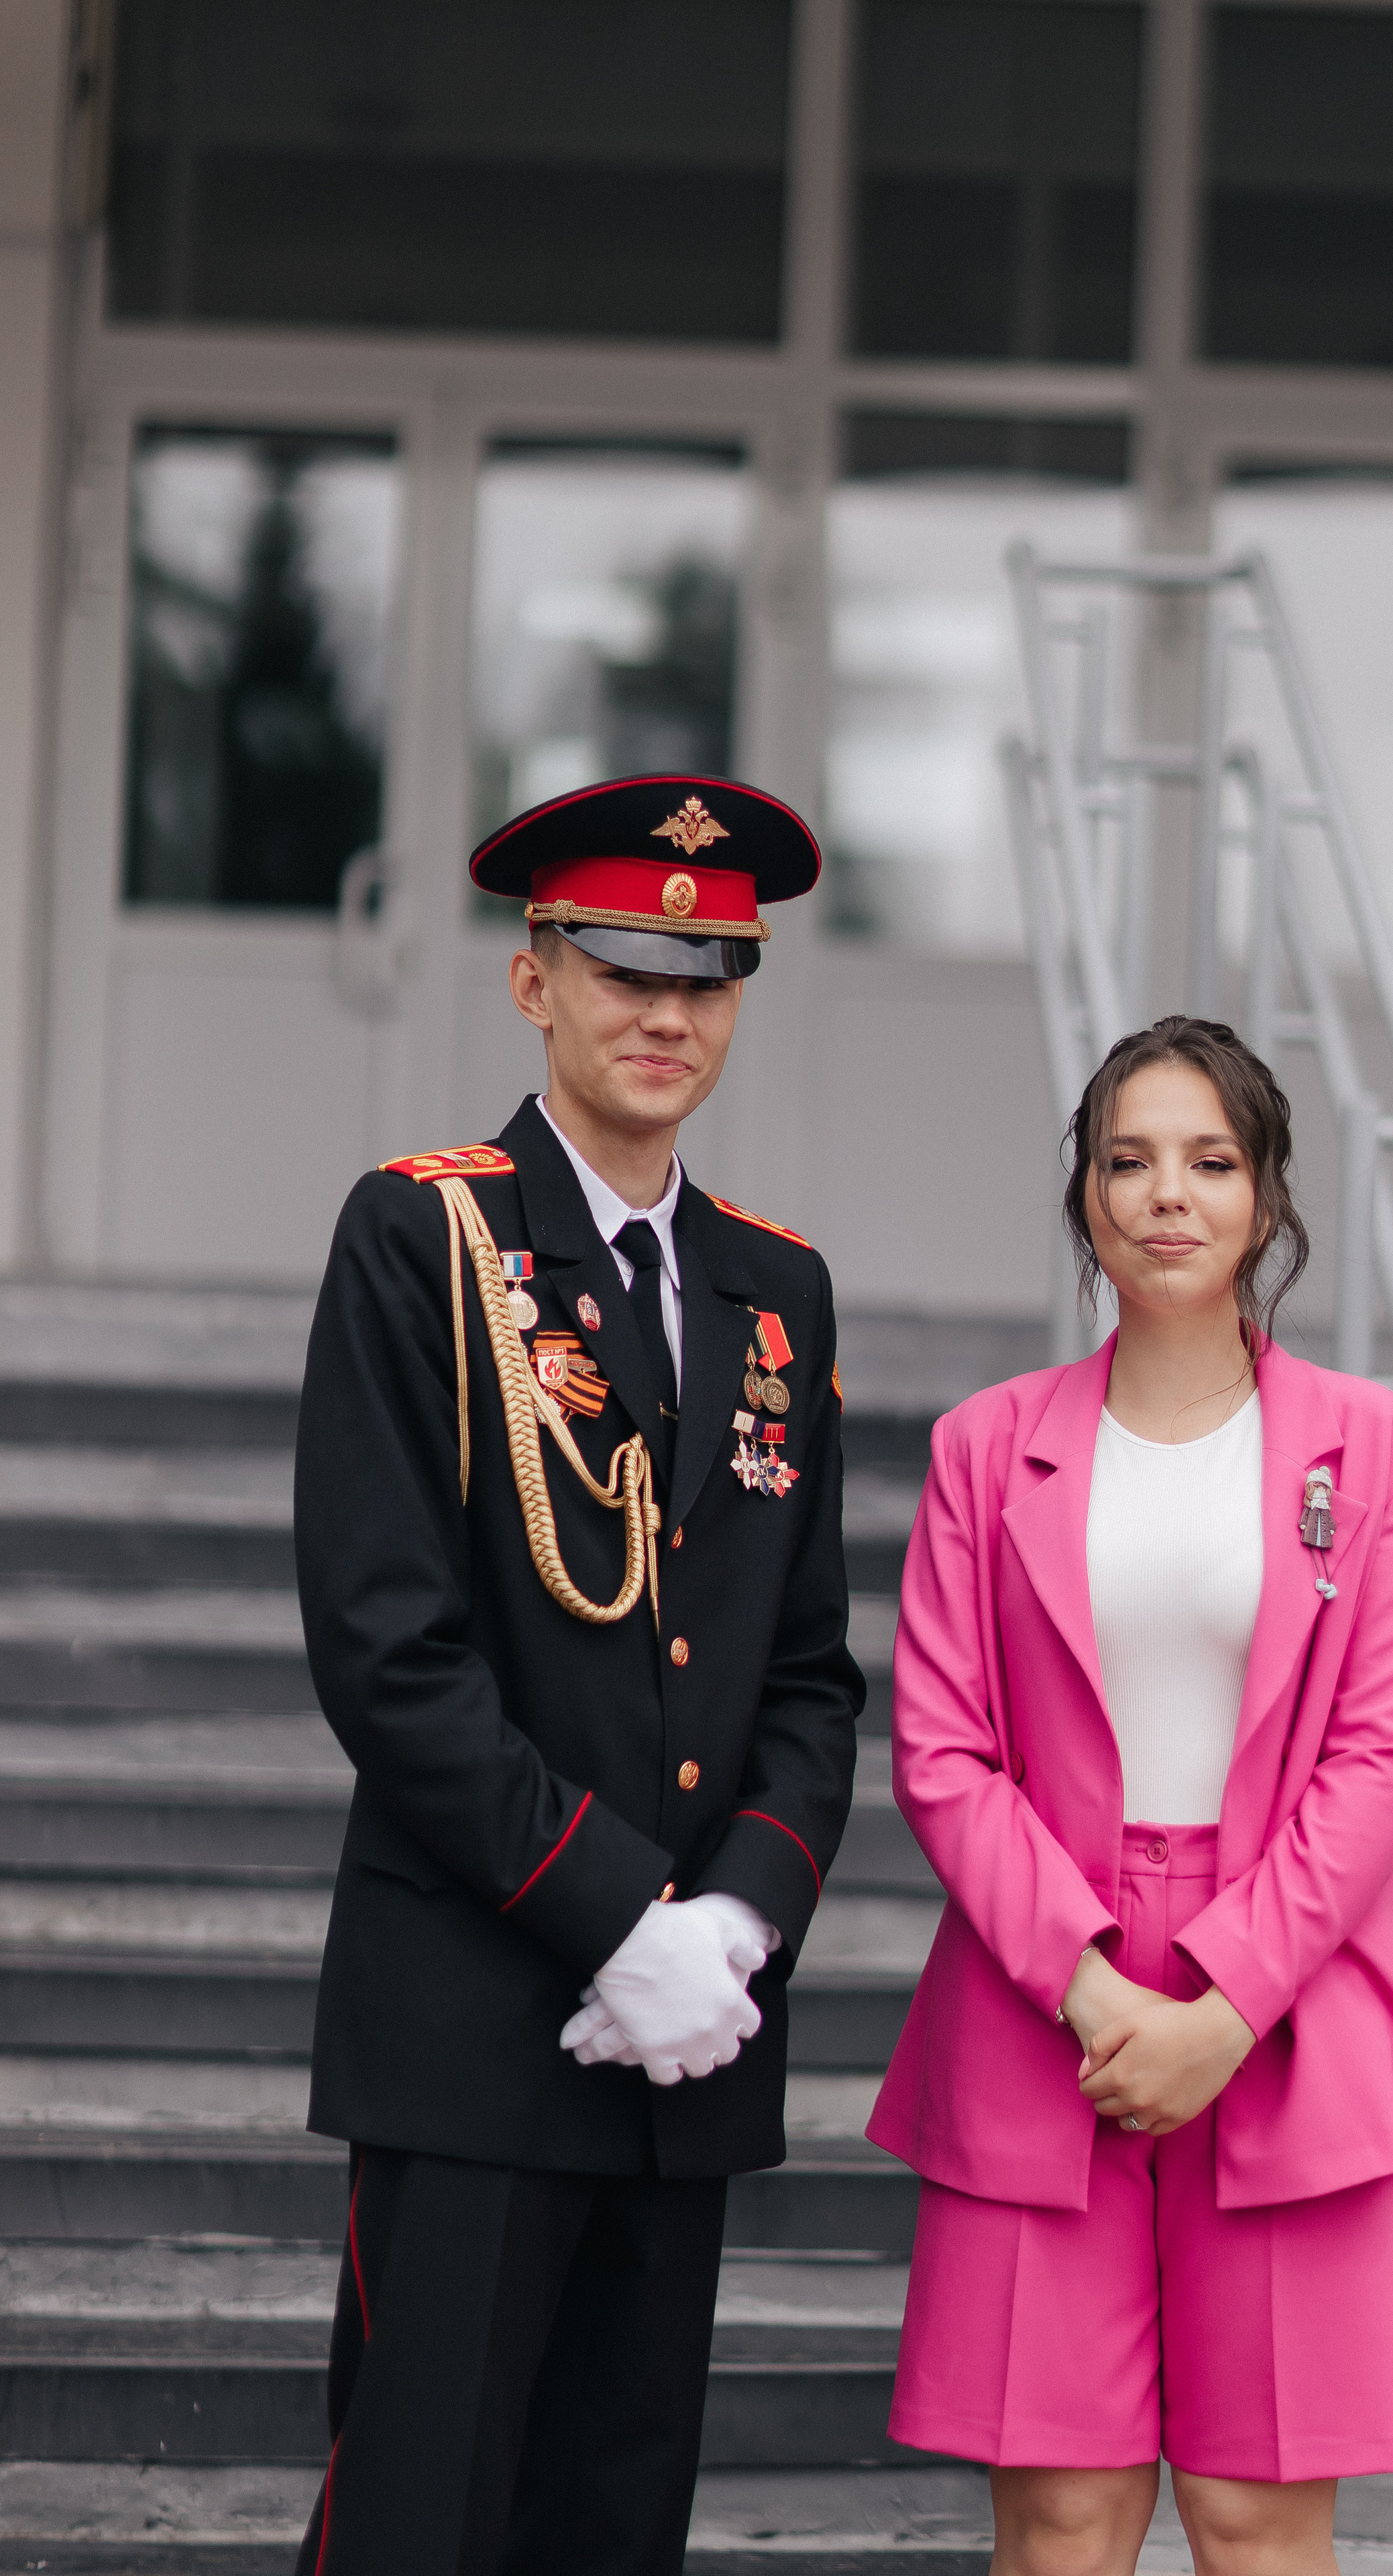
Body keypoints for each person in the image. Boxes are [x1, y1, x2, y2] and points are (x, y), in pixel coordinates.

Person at [293, 775, 862, 2576]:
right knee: (421, 2527)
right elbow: (393, 1656)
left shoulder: (779, 1292)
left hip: (682, 2047)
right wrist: (627, 1918)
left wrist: (737, 1933)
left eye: (706, 977)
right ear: (532, 981)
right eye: (621, 968)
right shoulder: (424, 1238)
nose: (664, 1014)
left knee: (612, 2533)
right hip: (482, 2018)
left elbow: (810, 1675)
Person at [867, 1016, 1393, 2576]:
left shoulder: (1379, 1453)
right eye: (1125, 1161)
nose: (1165, 1196)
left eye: (1209, 1161)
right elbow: (941, 1749)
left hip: (1290, 1996)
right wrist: (1083, 1987)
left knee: (1257, 2518)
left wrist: (1222, 2006)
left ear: (1264, 1198)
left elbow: (1380, 1755)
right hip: (1035, 2000)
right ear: (1082, 1200)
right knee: (1060, 2516)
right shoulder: (986, 1452)